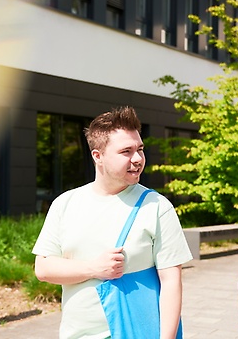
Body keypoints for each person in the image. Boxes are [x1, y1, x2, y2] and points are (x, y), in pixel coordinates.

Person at [32, 106, 193, 339]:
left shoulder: (157, 207)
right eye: (126, 151)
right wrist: (94, 268)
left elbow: (171, 282)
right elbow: (44, 268)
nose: (137, 159)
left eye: (140, 149)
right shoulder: (65, 204)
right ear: (98, 156)